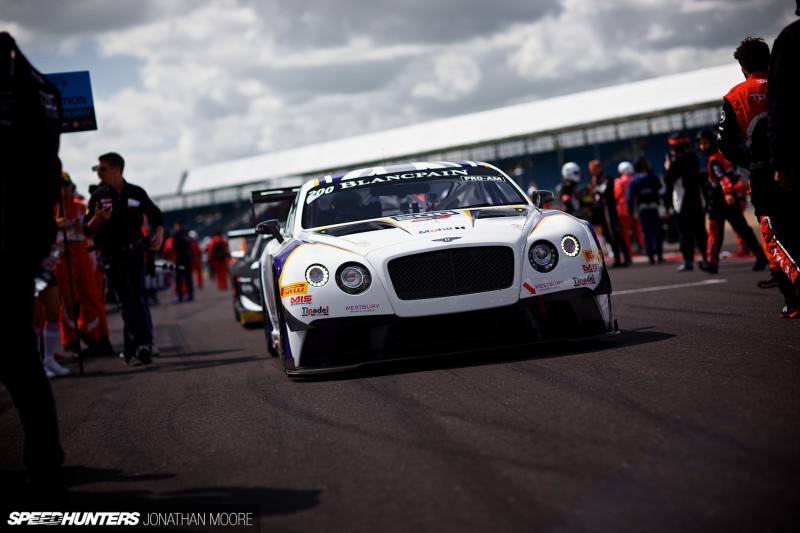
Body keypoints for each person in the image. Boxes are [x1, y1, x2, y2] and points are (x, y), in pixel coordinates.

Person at [0, 31, 66, 496]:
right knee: (19, 357)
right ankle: (46, 460)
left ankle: (45, 461)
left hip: (15, 238)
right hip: (24, 242)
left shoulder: (23, 93)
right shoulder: (45, 92)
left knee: (18, 356)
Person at [719, 36, 799, 318]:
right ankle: (792, 300)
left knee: (773, 236)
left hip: (764, 175)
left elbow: (726, 145)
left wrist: (751, 162)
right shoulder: (788, 83)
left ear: (742, 66)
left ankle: (795, 292)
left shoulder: (735, 95)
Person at [83, 152, 165, 365]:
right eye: (97, 169)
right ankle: (142, 344)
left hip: (135, 252)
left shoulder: (136, 192)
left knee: (136, 297)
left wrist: (160, 234)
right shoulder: (98, 196)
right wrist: (98, 218)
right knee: (126, 299)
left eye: (102, 169)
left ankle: (130, 349)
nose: (98, 173)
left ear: (116, 170)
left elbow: (156, 215)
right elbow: (85, 229)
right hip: (111, 254)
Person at [54, 172, 114, 357]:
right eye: (61, 186)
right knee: (69, 301)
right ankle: (71, 341)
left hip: (84, 255)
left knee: (91, 297)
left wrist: (91, 224)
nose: (65, 189)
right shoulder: (54, 209)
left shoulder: (82, 207)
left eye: (67, 185)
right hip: (64, 257)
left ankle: (93, 337)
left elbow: (91, 229)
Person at [695, 130, 767, 274]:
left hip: (719, 201)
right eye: (701, 144)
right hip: (730, 200)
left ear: (711, 143)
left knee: (715, 233)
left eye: (705, 143)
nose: (702, 147)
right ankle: (760, 255)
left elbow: (723, 179)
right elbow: (735, 176)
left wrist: (728, 193)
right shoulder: (724, 157)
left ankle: (712, 264)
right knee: (743, 229)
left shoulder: (714, 160)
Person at [766, 4, 800, 308]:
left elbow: (779, 108)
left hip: (795, 156)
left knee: (782, 229)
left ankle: (794, 295)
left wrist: (780, 161)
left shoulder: (790, 39)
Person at [664, 132, 708, 271]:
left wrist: (668, 167)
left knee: (685, 232)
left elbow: (668, 179)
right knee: (700, 231)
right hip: (696, 199)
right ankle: (708, 258)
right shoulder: (694, 158)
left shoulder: (677, 161)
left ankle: (688, 261)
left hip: (682, 200)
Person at [589, 159, 630, 267]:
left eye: (594, 170)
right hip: (601, 212)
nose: (592, 172)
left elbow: (603, 191)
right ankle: (617, 258)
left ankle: (626, 257)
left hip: (610, 210)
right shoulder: (595, 179)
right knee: (608, 235)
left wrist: (595, 188)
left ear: (598, 168)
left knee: (616, 234)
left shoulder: (606, 178)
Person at [627, 156, 665, 265]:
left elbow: (630, 198)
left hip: (643, 209)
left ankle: (651, 256)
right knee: (657, 232)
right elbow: (662, 192)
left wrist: (630, 211)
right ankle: (659, 255)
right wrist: (665, 206)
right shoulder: (653, 177)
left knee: (646, 232)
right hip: (654, 207)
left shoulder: (635, 180)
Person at [614, 161, 644, 257]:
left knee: (625, 234)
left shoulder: (619, 181)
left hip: (623, 211)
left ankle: (629, 254)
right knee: (639, 231)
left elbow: (616, 195)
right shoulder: (635, 179)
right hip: (636, 209)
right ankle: (645, 249)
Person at [169, 221, 195, 303]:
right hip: (187, 257)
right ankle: (190, 295)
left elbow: (173, 246)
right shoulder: (186, 233)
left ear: (177, 226)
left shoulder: (176, 234)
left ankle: (180, 296)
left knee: (179, 278)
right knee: (188, 277)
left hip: (180, 259)